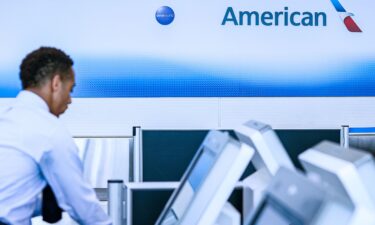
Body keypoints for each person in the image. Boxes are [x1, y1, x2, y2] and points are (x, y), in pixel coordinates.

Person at [0, 47, 112, 225]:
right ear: (56, 83)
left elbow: (10, 198)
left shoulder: (6, 119)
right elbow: (82, 207)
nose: (69, 99)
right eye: (70, 89)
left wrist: (46, 203)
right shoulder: (49, 129)